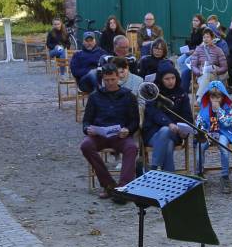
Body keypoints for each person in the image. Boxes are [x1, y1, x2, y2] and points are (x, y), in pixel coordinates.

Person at [80, 64, 140, 199]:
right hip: (100, 134)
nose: (110, 83)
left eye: (113, 79)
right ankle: (108, 184)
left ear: (118, 78)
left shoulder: (128, 96)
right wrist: (87, 129)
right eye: (107, 80)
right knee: (85, 145)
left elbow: (135, 121)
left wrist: (128, 129)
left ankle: (123, 187)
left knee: (132, 148)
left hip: (120, 136)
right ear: (102, 80)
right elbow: (86, 121)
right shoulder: (95, 96)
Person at [143, 64, 195, 172]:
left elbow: (188, 117)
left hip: (176, 132)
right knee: (168, 143)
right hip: (153, 132)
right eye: (167, 79)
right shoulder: (153, 93)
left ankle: (153, 169)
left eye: (173, 78)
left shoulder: (182, 94)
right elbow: (154, 113)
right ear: (161, 79)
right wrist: (168, 123)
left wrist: (185, 131)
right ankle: (170, 178)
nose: (170, 81)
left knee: (167, 133)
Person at [194, 80, 232, 191]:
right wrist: (202, 130)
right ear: (208, 97)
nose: (215, 100)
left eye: (218, 97)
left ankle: (225, 176)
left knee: (224, 148)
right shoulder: (204, 108)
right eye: (212, 97)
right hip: (208, 133)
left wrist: (219, 110)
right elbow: (199, 122)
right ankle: (200, 173)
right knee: (200, 148)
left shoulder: (227, 108)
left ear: (223, 97)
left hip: (222, 132)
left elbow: (227, 122)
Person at [189, 27, 228, 95]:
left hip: (215, 75)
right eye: (204, 37)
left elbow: (224, 67)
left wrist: (216, 71)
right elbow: (193, 65)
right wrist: (198, 72)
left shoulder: (218, 50)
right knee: (205, 75)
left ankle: (200, 98)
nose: (205, 39)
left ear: (212, 38)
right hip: (201, 75)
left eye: (208, 37)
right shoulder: (198, 49)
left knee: (207, 75)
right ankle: (201, 98)